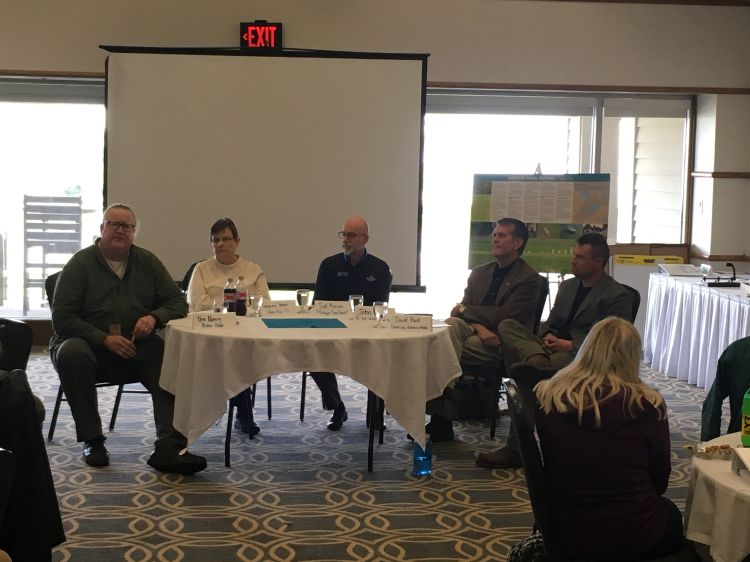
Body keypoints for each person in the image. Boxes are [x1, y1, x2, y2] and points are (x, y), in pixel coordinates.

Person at [50, 204, 206, 474]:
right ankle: (93, 440)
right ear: (102, 228)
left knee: (168, 356)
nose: (120, 230)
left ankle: (170, 447)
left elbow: (177, 302)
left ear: (134, 233)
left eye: (127, 226)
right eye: (114, 224)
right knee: (72, 353)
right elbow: (62, 318)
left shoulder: (148, 262)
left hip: (135, 345)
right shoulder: (80, 264)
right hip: (87, 346)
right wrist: (102, 338)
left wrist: (154, 318)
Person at [533, 317, 684, 561]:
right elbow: (660, 476)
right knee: (673, 515)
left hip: (565, 529)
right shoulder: (647, 405)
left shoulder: (549, 397)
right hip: (635, 530)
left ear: (587, 348)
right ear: (632, 356)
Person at [476, 231, 632, 468]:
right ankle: (536, 358)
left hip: (582, 355)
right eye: (574, 255)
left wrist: (571, 344)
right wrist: (548, 334)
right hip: (548, 348)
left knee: (528, 381)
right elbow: (553, 321)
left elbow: (612, 339)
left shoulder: (616, 295)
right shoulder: (568, 286)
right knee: (508, 326)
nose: (573, 261)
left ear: (598, 262)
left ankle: (516, 449)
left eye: (579, 257)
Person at [428, 218, 543, 441]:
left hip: (502, 342)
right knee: (450, 327)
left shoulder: (529, 279)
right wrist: (479, 326)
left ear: (517, 243)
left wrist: (467, 311)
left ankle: (440, 410)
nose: (495, 239)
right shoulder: (479, 273)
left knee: (442, 345)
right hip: (478, 335)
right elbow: (458, 313)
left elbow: (504, 318)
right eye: (494, 235)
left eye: (502, 236)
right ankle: (444, 405)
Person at [187, 217, 271, 436]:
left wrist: (229, 306)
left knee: (238, 354)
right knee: (233, 355)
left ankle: (242, 412)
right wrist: (226, 306)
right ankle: (244, 414)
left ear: (237, 241)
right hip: (212, 333)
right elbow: (195, 303)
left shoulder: (252, 269)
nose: (220, 244)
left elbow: (264, 301)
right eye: (215, 240)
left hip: (249, 332)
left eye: (225, 239)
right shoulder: (201, 269)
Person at [310, 216, 391, 430]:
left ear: (365, 239)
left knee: (382, 354)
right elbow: (318, 305)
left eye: (351, 235)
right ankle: (337, 407)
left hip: (367, 334)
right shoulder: (328, 266)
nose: (345, 239)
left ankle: (376, 415)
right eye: (343, 234)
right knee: (311, 355)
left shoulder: (380, 269)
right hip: (332, 333)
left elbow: (380, 308)